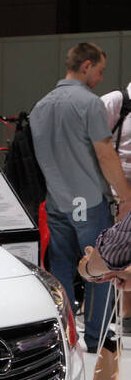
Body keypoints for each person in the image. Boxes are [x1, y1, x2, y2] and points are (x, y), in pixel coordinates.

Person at [30, 42, 131, 352]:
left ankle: (67, 331)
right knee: (99, 263)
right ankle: (99, 335)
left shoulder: (40, 106)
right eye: (99, 71)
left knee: (60, 266)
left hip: (57, 200)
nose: (100, 78)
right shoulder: (89, 103)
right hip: (87, 201)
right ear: (86, 66)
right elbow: (105, 155)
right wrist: (125, 197)